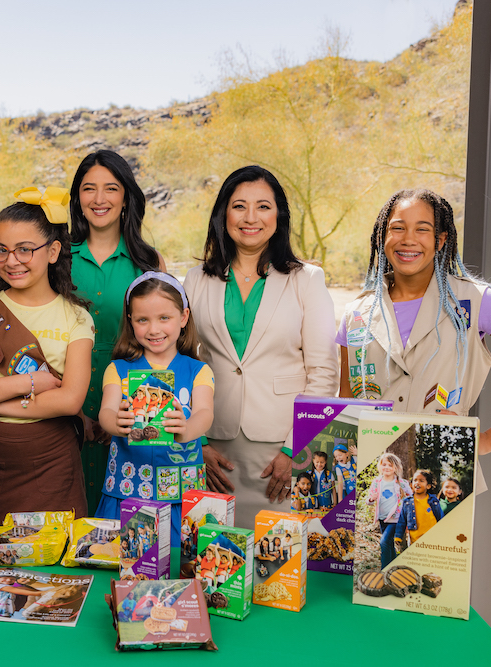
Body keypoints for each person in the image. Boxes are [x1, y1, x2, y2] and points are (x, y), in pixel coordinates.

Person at [338, 189, 491, 455]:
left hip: (445, 471)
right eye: (398, 228)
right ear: (383, 236)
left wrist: (488, 440)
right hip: (369, 471)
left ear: (440, 240)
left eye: (422, 229)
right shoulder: (356, 313)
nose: (408, 239)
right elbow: (346, 401)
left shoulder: (477, 300)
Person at [184, 165, 339, 526]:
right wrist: (197, 443)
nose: (250, 217)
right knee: (215, 561)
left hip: (280, 452)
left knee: (277, 565)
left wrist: (295, 449)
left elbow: (324, 373)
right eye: (239, 206)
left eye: (263, 206)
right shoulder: (196, 280)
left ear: (279, 215)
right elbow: (180, 363)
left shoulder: (306, 279)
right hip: (214, 448)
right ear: (223, 215)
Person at [0, 187, 94, 539]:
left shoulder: (77, 318)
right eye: (1, 250)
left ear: (53, 251)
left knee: (54, 572)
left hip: (52, 462)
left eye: (25, 249)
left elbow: (70, 401)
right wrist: (29, 384)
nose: (12, 261)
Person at [69, 150, 165, 513]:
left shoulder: (149, 262)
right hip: (63, 400)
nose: (99, 199)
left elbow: (161, 344)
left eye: (111, 188)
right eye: (88, 189)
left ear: (126, 197)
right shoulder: (56, 256)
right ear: (77, 199)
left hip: (128, 403)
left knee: (124, 514)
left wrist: (125, 413)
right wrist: (72, 411)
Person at [97, 272, 214, 545]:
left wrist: (186, 430)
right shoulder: (118, 369)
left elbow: (205, 413)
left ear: (183, 317)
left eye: (165, 318)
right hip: (126, 493)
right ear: (131, 321)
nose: (154, 329)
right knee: (123, 566)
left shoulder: (198, 371)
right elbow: (106, 411)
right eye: (142, 320)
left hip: (181, 499)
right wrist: (116, 423)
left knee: (180, 569)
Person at [366, 452, 413, 569]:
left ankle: (384, 571)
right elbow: (369, 500)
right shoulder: (377, 482)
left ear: (395, 468)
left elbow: (411, 499)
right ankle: (394, 569)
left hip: (396, 519)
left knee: (384, 542)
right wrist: (372, 498)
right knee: (389, 544)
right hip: (382, 518)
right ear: (380, 466)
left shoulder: (402, 483)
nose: (386, 467)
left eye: (390, 465)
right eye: (384, 464)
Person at [396, 469, 443, 549]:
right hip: (414, 541)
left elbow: (440, 517)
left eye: (421, 481)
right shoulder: (407, 502)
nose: (417, 482)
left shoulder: (434, 501)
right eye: (415, 480)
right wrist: (398, 536)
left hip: (432, 540)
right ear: (411, 484)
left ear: (428, 486)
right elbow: (402, 521)